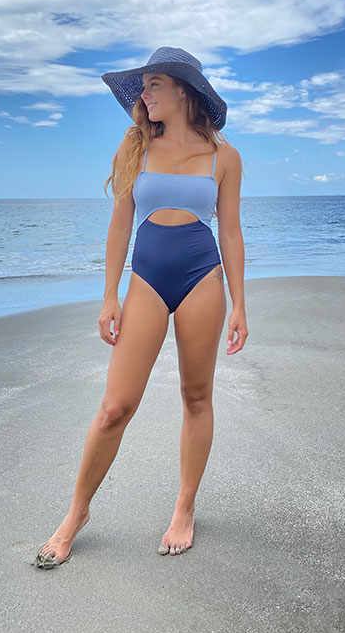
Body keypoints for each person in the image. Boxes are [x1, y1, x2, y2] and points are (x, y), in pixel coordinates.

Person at [35, 47, 248, 567]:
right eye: (144, 87)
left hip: (204, 278)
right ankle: (76, 512)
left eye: (154, 84)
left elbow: (231, 230)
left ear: (183, 90)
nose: (145, 96)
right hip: (147, 280)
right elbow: (119, 223)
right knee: (115, 407)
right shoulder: (135, 147)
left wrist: (240, 304)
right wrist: (109, 294)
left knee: (196, 396)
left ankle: (184, 506)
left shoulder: (225, 157)